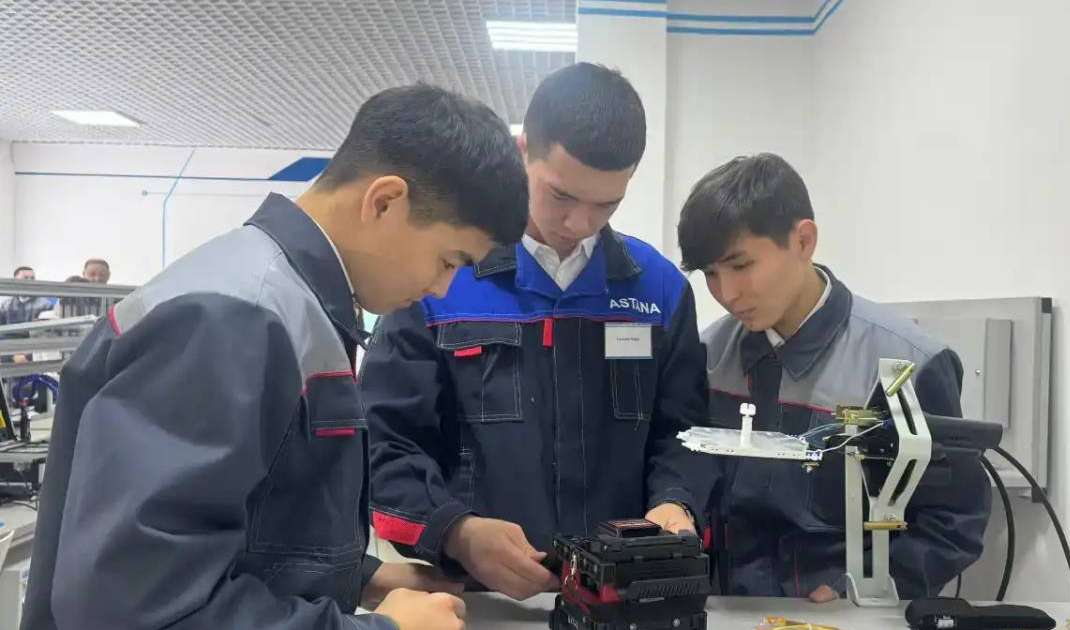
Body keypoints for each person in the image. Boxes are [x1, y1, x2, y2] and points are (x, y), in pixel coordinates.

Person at [21, 84, 529, 630]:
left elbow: (244, 518)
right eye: (449, 260)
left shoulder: (289, 304)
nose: (443, 288)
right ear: (384, 202)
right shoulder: (232, 319)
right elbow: (134, 604)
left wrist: (361, 577)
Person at [362, 62, 717, 601]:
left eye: (606, 205)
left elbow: (685, 434)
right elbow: (385, 441)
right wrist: (455, 530)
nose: (579, 224)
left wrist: (677, 501)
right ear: (524, 149)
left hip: (622, 601)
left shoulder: (660, 293)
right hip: (475, 599)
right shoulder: (439, 280)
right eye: (561, 196)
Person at [676, 153, 990, 600]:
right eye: (710, 274)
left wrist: (859, 595)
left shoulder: (905, 366)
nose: (727, 293)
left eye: (741, 266)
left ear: (803, 241)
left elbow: (954, 522)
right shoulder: (708, 359)